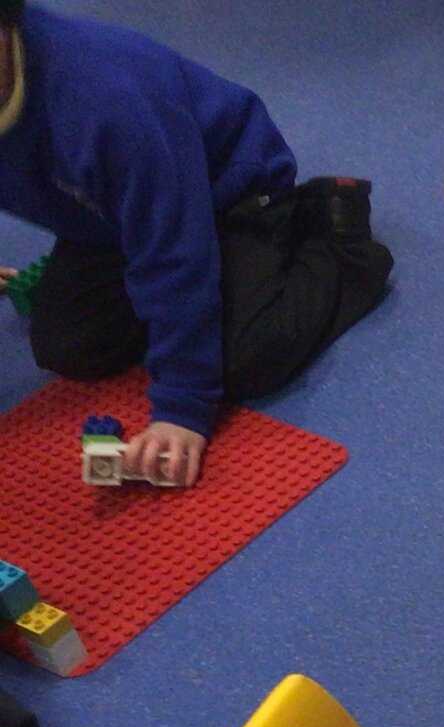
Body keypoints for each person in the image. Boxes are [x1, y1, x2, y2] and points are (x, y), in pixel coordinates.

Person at [0, 3, 391, 487]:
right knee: (70, 350)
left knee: (245, 363)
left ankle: (336, 238)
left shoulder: (106, 101)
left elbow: (174, 250)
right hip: (101, 218)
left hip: (228, 193)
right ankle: (197, 308)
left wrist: (181, 406)